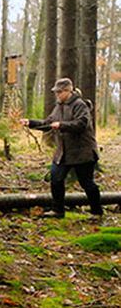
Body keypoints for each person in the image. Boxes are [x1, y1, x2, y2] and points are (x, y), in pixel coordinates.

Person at [20, 77, 103, 218]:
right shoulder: (58, 106)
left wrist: (62, 125)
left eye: (59, 92)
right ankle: (58, 210)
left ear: (68, 91)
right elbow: (48, 123)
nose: (57, 94)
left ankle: (96, 211)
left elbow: (81, 124)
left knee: (86, 183)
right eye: (56, 92)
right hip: (63, 152)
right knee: (56, 179)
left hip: (82, 152)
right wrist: (30, 122)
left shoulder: (80, 105)